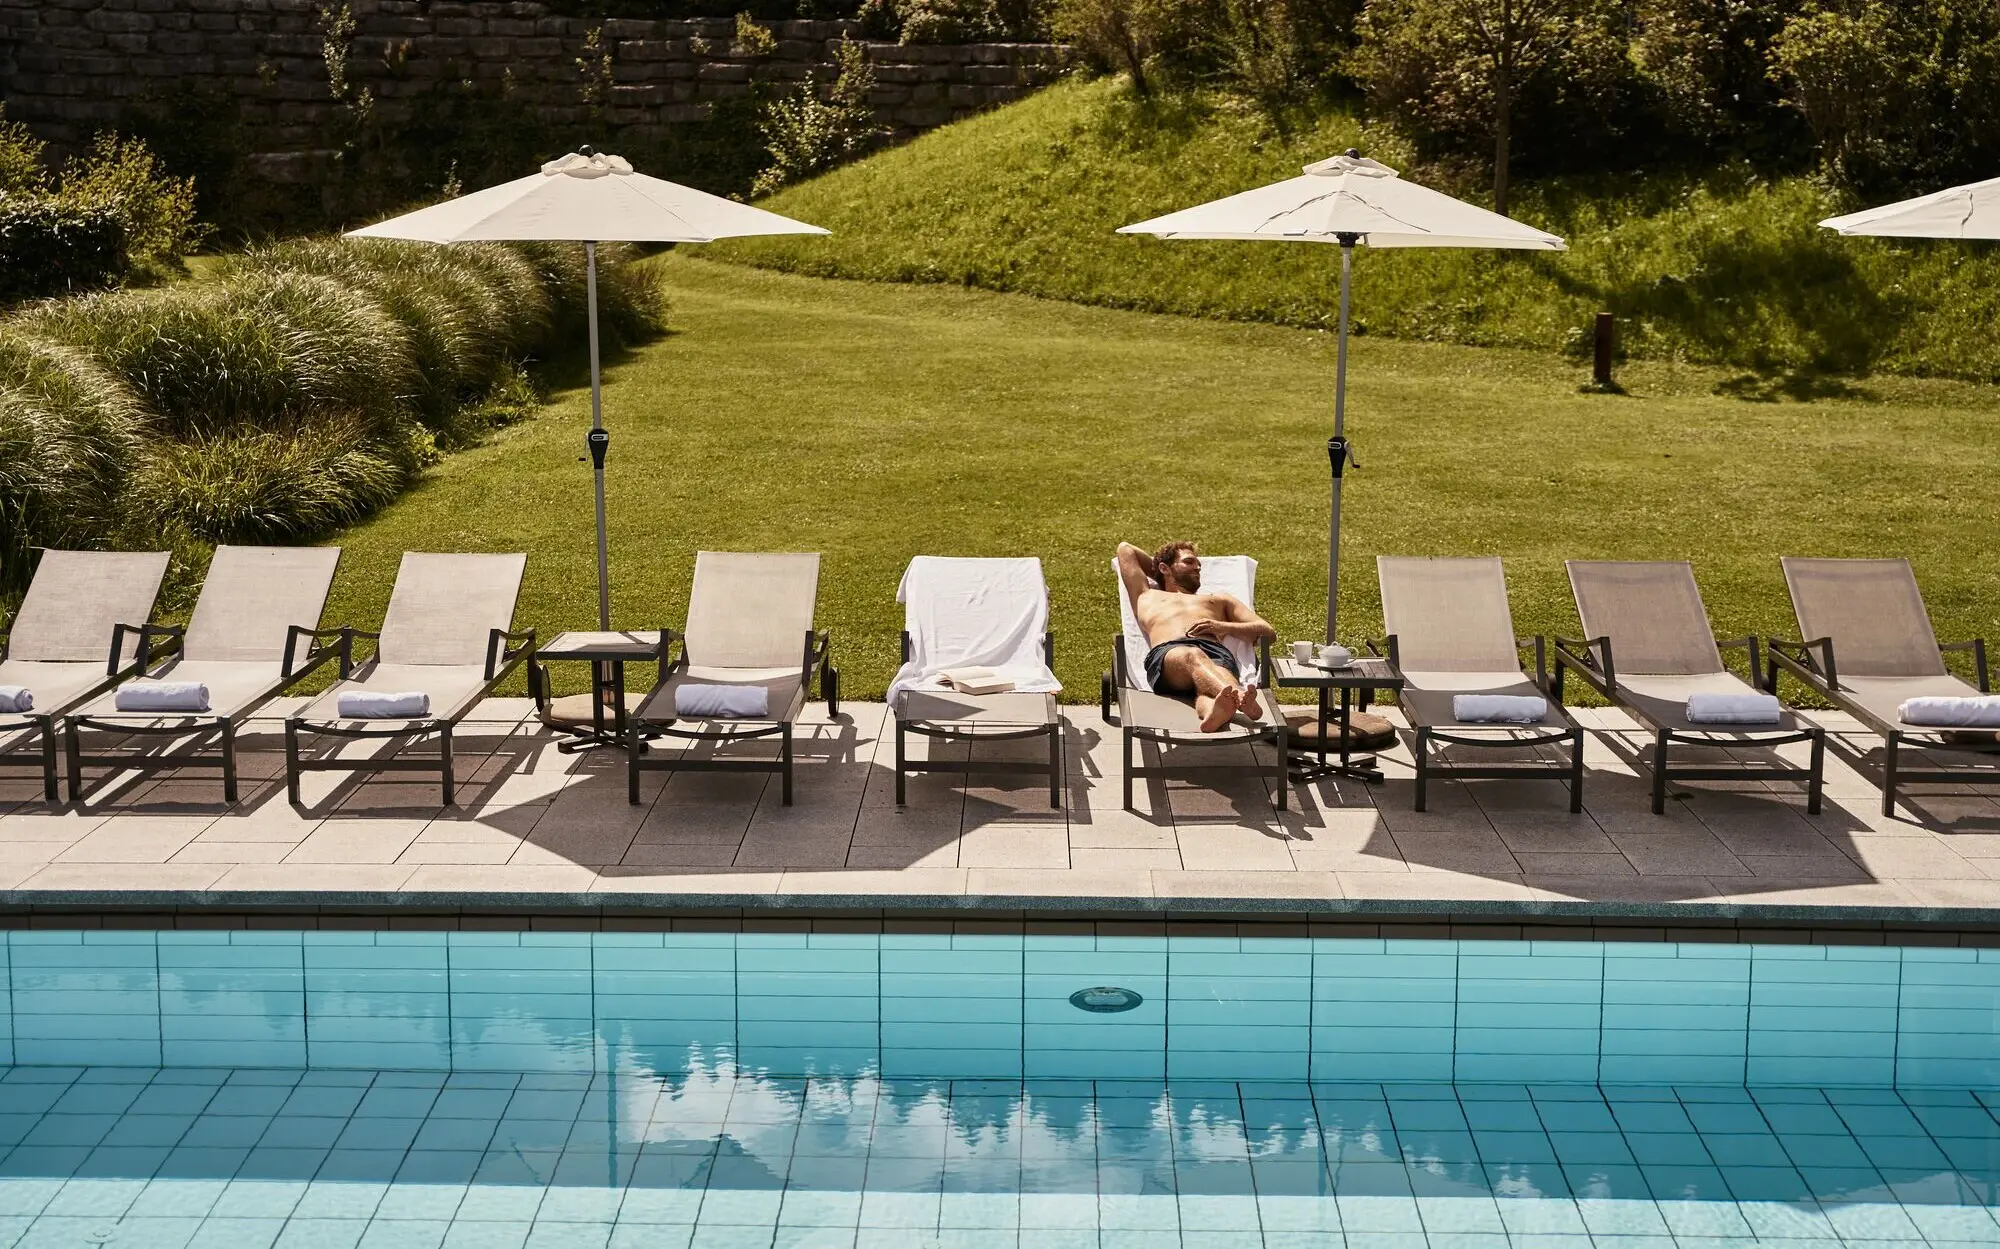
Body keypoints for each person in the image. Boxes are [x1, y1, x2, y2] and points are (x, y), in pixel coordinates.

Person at [1117, 540, 1277, 731]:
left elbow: (1267, 632)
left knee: (1216, 691)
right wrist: (1161, 574)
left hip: (1216, 653)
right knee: (1193, 656)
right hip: (1169, 654)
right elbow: (1125, 549)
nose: (1198, 568)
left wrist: (1222, 627)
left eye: (1198, 565)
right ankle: (1241, 698)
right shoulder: (1146, 595)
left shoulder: (1218, 600)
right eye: (1189, 562)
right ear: (1164, 568)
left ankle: (1212, 713)